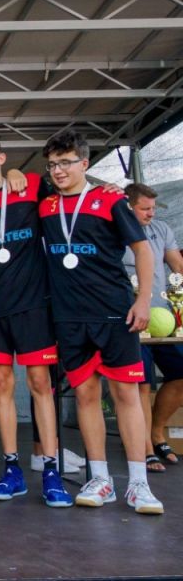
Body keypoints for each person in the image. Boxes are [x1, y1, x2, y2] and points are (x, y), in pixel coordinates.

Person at [39, 130, 163, 514]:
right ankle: (101, 479)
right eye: (52, 164)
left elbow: (142, 250)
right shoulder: (45, 206)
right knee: (86, 396)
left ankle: (139, 484)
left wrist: (143, 299)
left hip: (114, 313)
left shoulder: (110, 200)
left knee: (126, 394)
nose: (59, 170)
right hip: (69, 317)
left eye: (66, 162)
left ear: (84, 163)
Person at [0, 135, 72, 507]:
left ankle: (51, 469)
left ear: (1, 157)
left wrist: (17, 173)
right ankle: (12, 469)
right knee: (1, 385)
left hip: (33, 306)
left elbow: (68, 193)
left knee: (40, 383)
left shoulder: (31, 187)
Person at [123, 183, 183, 470]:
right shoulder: (113, 231)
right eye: (144, 208)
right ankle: (146, 449)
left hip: (164, 319)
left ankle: (157, 434)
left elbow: (177, 267)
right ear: (128, 207)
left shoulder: (161, 229)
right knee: (142, 384)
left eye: (153, 208)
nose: (151, 213)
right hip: (131, 321)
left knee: (180, 375)